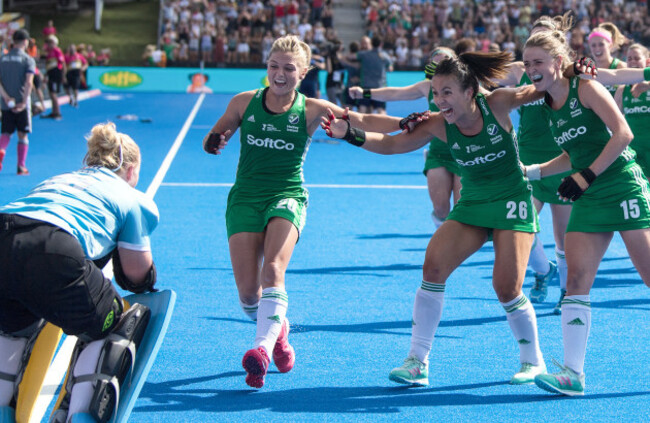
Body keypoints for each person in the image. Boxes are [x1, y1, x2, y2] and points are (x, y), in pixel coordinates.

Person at [322, 51, 549, 386]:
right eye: (436, 92)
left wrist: (568, 68)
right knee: (433, 267)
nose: (440, 100)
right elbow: (393, 145)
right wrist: (350, 134)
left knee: (506, 287)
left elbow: (542, 88)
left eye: (447, 92)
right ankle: (417, 361)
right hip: (473, 202)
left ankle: (533, 360)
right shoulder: (439, 123)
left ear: (469, 92)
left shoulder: (498, 103)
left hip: (511, 199)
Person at [202, 34, 414, 389]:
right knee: (248, 296)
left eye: (288, 68)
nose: (279, 74)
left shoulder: (313, 109)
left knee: (273, 268)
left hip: (287, 195)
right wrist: (214, 141)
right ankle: (279, 332)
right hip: (245, 198)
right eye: (273, 66)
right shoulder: (243, 103)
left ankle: (261, 350)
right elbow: (217, 134)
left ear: (303, 73)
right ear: (266, 67)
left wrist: (403, 123)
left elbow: (361, 119)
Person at [0, 122, 159, 420]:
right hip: (54, 247)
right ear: (132, 169)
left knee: (12, 328)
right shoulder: (129, 197)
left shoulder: (61, 179)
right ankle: (81, 414)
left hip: (5, 231)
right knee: (113, 321)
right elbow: (136, 275)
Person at [521, 29, 650, 397]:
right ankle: (572, 374)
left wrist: (587, 175)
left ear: (557, 62)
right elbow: (572, 154)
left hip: (621, 183)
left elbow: (623, 134)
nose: (531, 69)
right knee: (576, 280)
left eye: (538, 62)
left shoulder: (586, 88)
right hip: (590, 193)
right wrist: (532, 171)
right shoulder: (547, 105)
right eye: (527, 63)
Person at [348, 46, 461, 228]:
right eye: (435, 63)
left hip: (465, 152)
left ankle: (452, 240)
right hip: (439, 152)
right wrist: (365, 93)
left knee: (461, 208)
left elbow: (489, 98)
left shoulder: (467, 85)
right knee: (440, 209)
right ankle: (444, 233)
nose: (440, 67)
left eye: (445, 63)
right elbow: (395, 93)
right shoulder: (427, 87)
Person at [0, 29, 35, 175]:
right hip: (21, 102)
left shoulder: (2, 59)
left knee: (6, 132)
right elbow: (28, 83)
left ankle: (1, 149)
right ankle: (21, 166)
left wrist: (6, 97)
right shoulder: (28, 60)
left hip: (6, 102)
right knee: (23, 134)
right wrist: (23, 102)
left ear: (13, 42)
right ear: (26, 42)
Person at [614, 44, 650, 177]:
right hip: (635, 149)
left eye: (636, 58)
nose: (633, 61)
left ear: (647, 61)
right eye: (629, 58)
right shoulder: (622, 89)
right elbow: (613, 121)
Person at [356, 35, 393, 114]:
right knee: (380, 108)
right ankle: (384, 126)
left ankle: (357, 125)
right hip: (379, 87)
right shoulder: (384, 56)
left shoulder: (364, 54)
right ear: (381, 44)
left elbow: (354, 56)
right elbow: (390, 68)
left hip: (366, 87)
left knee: (363, 107)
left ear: (371, 43)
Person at [588, 22, 627, 96]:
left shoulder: (621, 67)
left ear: (610, 45)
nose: (597, 48)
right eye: (593, 45)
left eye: (601, 44)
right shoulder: (588, 72)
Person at [43, 35, 66, 120]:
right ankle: (54, 111)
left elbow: (62, 63)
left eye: (50, 43)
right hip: (51, 75)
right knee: (51, 93)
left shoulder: (57, 51)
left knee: (53, 94)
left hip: (56, 74)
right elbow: (48, 66)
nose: (48, 45)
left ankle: (57, 113)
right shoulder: (49, 53)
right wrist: (46, 75)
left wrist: (63, 75)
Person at [64, 44, 88, 108]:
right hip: (69, 73)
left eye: (73, 49)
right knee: (67, 87)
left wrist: (82, 68)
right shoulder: (66, 56)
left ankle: (76, 101)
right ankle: (71, 97)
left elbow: (85, 63)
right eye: (70, 49)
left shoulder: (79, 56)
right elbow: (64, 65)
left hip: (76, 73)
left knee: (76, 88)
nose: (72, 50)